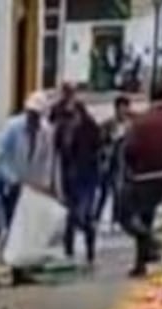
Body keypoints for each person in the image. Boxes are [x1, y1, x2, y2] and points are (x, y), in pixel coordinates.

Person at [0, 92, 58, 281]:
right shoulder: (13, 127)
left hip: (24, 184)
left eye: (37, 115)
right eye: (31, 114)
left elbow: (46, 161)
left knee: (19, 227)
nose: (33, 119)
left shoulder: (46, 132)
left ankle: (18, 271)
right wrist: (12, 179)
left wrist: (43, 185)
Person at [120, 97, 162, 274]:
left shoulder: (142, 121)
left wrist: (131, 168)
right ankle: (142, 261)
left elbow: (130, 150)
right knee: (146, 217)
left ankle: (151, 242)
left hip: (142, 176)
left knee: (126, 216)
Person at [56, 95, 104, 262]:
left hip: (86, 177)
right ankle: (69, 251)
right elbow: (58, 153)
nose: (69, 119)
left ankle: (89, 248)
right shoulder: (62, 130)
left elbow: (98, 149)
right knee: (70, 216)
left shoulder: (90, 128)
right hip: (69, 178)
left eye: (72, 115)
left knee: (82, 215)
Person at [98, 94, 132, 226]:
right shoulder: (108, 124)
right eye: (121, 108)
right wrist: (109, 141)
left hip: (123, 162)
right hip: (109, 161)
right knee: (104, 191)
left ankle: (116, 218)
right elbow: (100, 141)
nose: (123, 111)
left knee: (119, 191)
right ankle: (97, 216)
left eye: (125, 108)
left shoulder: (131, 125)